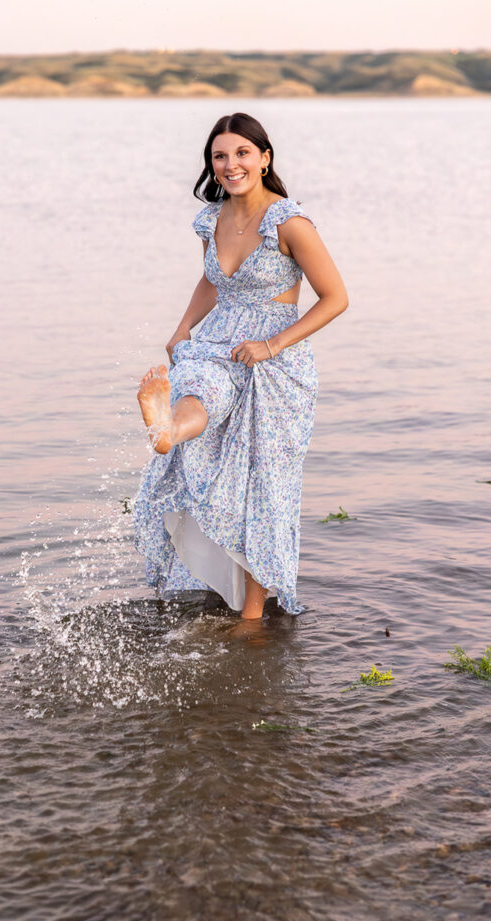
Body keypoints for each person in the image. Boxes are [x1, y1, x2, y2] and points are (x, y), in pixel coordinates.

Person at [133, 112, 348, 620]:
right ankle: (168, 429)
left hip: (275, 361)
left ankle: (252, 616)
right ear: (211, 164)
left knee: (262, 485)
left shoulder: (288, 222)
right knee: (198, 385)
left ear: (264, 157)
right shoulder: (212, 219)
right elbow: (211, 280)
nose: (231, 165)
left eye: (242, 153)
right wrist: (183, 328)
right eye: (220, 156)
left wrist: (271, 344)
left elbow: (335, 298)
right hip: (217, 340)